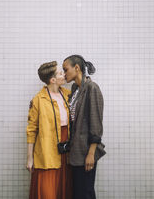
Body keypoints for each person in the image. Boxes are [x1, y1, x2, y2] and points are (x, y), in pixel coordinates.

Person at [26, 61, 72, 199]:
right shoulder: (38, 100)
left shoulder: (68, 94)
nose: (64, 75)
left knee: (64, 188)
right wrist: (29, 158)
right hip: (47, 150)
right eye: (60, 73)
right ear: (52, 80)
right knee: (48, 191)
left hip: (66, 149)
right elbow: (31, 130)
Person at [63, 55, 106, 199]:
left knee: (85, 193)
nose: (64, 74)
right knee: (79, 193)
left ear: (77, 68)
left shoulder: (92, 88)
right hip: (76, 151)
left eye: (66, 69)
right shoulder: (75, 89)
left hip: (86, 151)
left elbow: (96, 123)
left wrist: (91, 154)